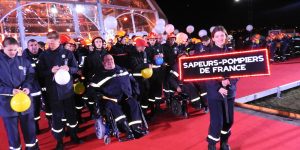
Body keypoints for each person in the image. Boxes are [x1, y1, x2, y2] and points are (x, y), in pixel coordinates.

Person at [38, 31, 82, 150]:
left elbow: (75, 68)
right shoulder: (44, 55)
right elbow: (39, 72)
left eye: (53, 42)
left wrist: (69, 68)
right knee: (57, 117)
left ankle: (73, 135)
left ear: (59, 41)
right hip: (53, 91)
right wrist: (50, 71)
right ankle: (59, 140)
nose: (50, 45)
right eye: (49, 43)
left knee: (71, 114)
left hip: (67, 90)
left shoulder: (67, 53)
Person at [89, 54, 148, 140]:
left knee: (134, 103)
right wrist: (98, 96)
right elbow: (92, 91)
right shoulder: (98, 76)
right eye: (107, 60)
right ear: (103, 63)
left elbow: (134, 82)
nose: (110, 61)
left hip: (125, 96)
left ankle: (136, 129)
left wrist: (136, 93)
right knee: (114, 107)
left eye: (111, 59)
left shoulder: (122, 70)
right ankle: (128, 131)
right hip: (111, 99)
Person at [0, 37, 39, 150]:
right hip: (7, 104)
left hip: (25, 102)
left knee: (30, 131)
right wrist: (10, 91)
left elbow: (31, 75)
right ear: (3, 48)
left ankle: (33, 148)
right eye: (10, 50)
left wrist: (27, 87)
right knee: (13, 134)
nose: (13, 52)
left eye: (15, 50)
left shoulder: (23, 60)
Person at [206, 26, 238, 150]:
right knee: (217, 122)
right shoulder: (207, 54)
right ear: (213, 38)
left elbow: (239, 71)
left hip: (230, 92)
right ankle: (212, 144)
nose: (220, 38)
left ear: (226, 36)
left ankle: (224, 142)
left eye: (222, 35)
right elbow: (205, 74)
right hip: (215, 94)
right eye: (217, 36)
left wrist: (230, 81)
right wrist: (218, 87)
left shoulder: (232, 52)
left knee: (229, 121)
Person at [83, 37, 107, 119]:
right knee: (95, 98)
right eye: (97, 42)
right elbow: (86, 70)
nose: (99, 43)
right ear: (94, 44)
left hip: (108, 79)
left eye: (100, 41)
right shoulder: (90, 57)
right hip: (96, 81)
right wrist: (90, 79)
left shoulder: (107, 54)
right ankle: (95, 112)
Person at [23, 39, 43, 134]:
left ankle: (52, 122)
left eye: (35, 44)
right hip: (33, 88)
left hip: (45, 86)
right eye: (31, 45)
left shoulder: (43, 56)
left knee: (49, 107)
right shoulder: (24, 59)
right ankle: (35, 126)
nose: (34, 46)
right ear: (28, 46)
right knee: (35, 108)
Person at [130, 38, 152, 115]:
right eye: (143, 46)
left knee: (145, 97)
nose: (144, 48)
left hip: (145, 79)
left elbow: (147, 61)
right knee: (139, 97)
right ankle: (139, 114)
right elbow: (135, 67)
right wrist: (146, 65)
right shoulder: (132, 55)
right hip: (137, 80)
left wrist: (149, 64)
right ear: (138, 46)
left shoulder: (144, 53)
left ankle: (145, 113)